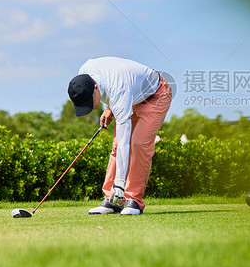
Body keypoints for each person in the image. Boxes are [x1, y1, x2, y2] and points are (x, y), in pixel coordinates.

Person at [67, 56, 172, 215]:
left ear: (95, 88)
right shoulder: (84, 74)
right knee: (116, 146)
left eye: (90, 101)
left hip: (156, 94)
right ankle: (112, 201)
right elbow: (106, 83)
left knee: (138, 143)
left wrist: (120, 183)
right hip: (132, 95)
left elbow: (125, 141)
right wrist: (108, 108)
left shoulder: (119, 89)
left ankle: (134, 200)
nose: (89, 107)